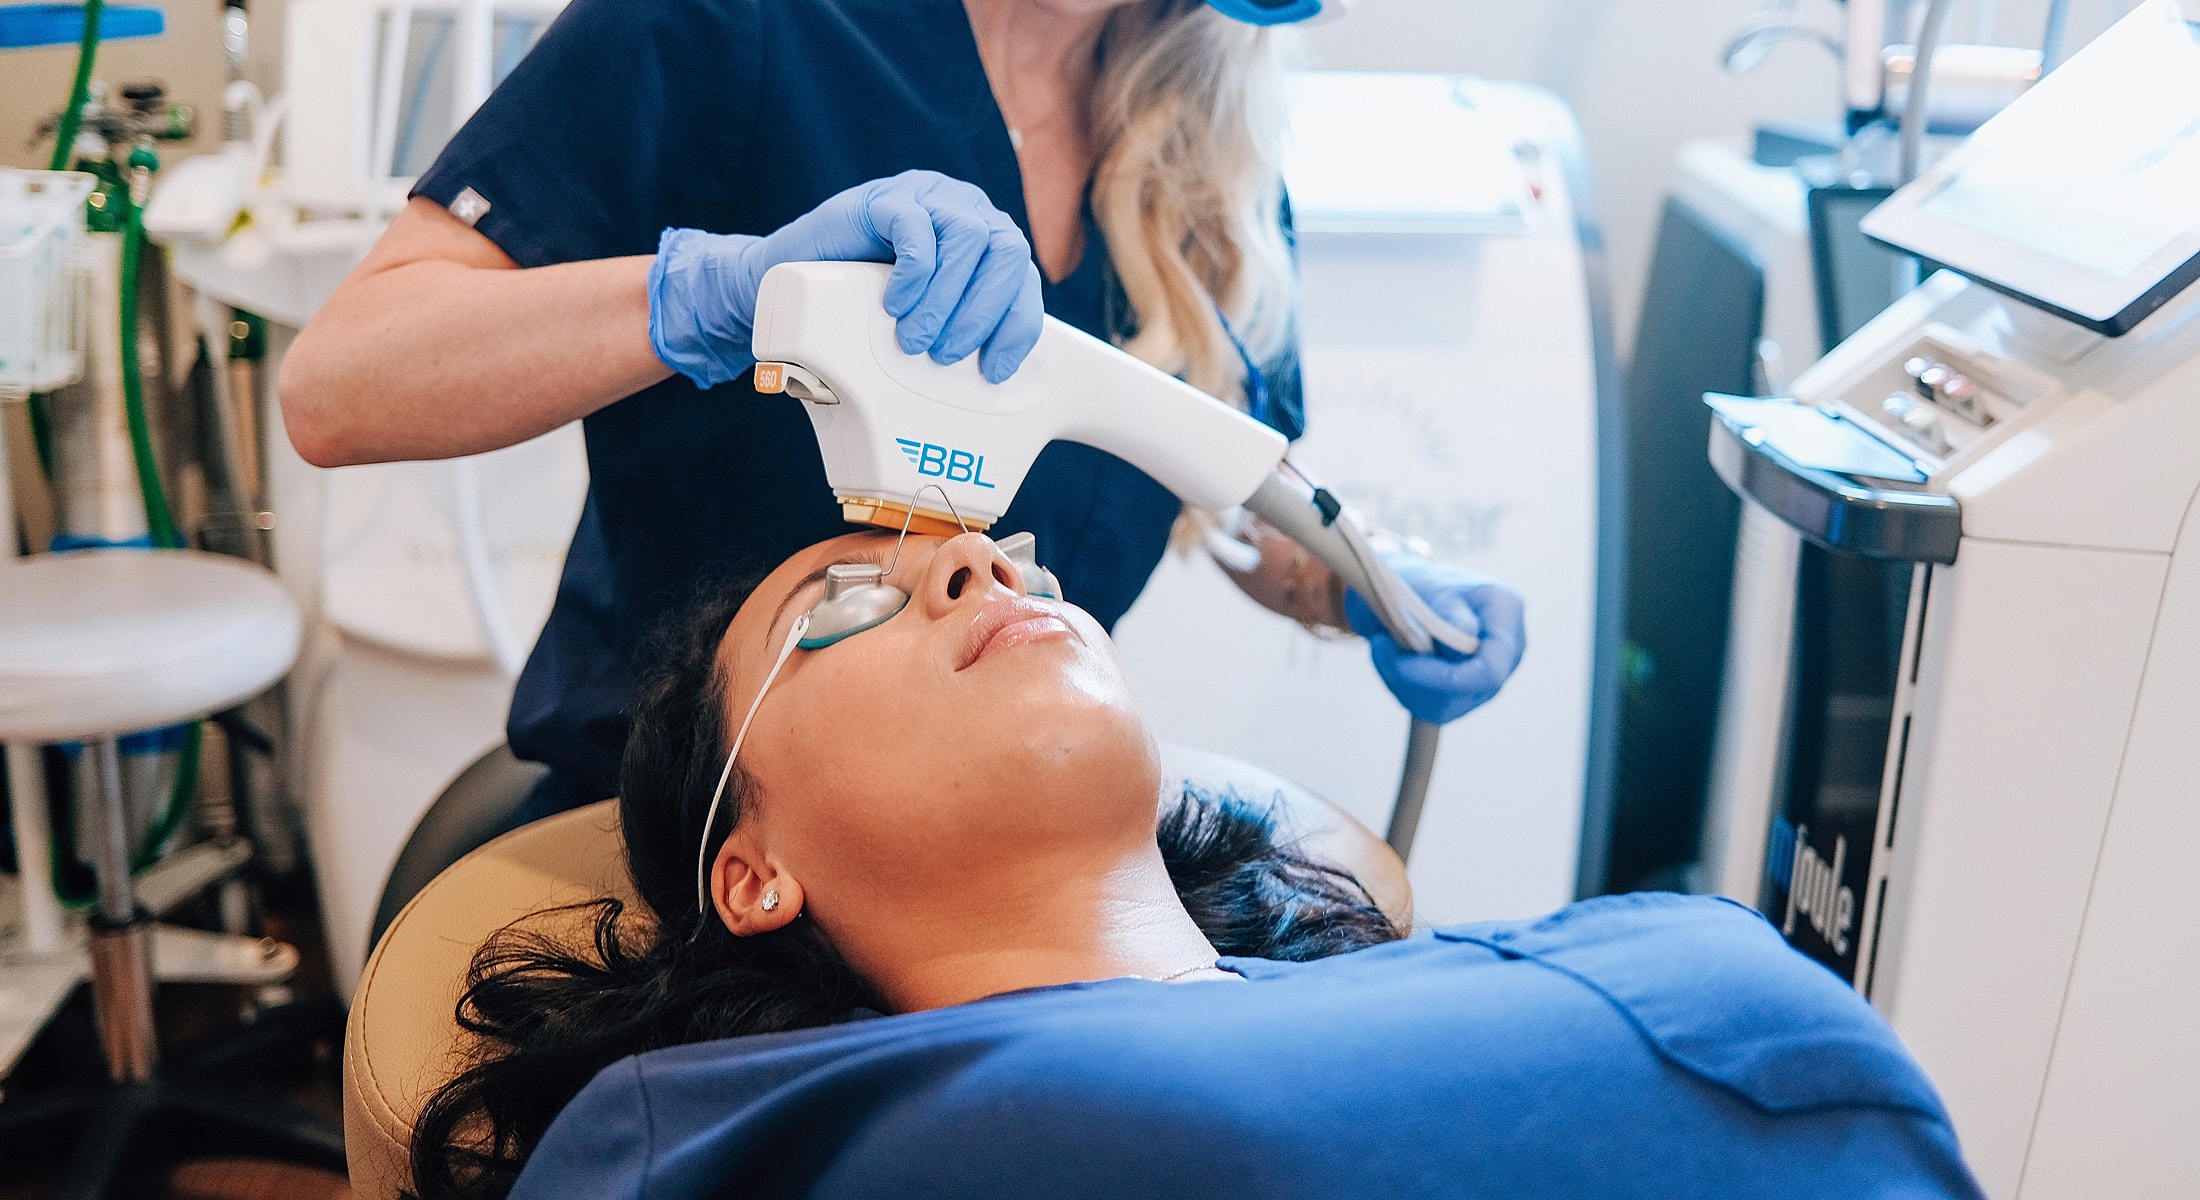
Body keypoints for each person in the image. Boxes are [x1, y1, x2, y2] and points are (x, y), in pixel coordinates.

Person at [412, 530, 1985, 1200]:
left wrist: (1352, 559)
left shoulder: (1617, 959)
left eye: (1005, 556)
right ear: (750, 874)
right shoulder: (698, 1138)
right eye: (843, 604)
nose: (983, 559)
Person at [278, 0, 1527, 823]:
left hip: (1012, 848)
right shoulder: (733, 23)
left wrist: (1359, 583)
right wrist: (720, 292)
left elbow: (1216, 476)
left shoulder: (1205, 141)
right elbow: (340, 387)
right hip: (701, 835)